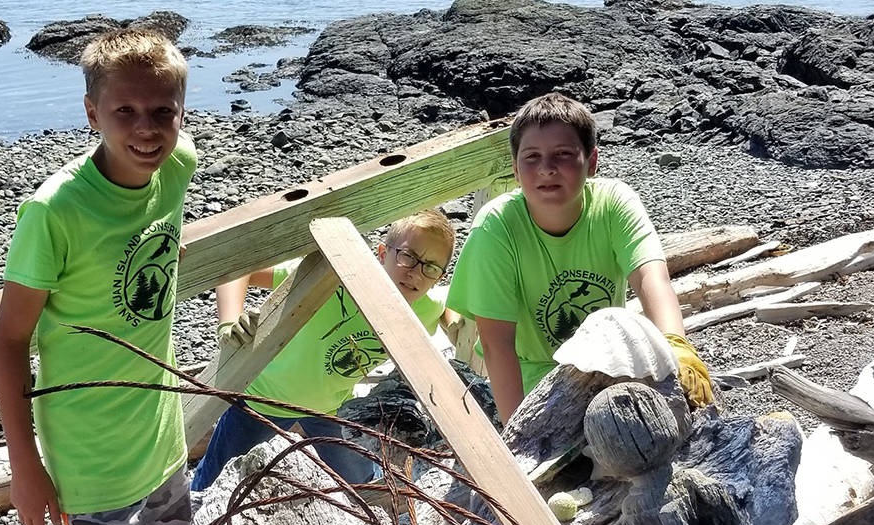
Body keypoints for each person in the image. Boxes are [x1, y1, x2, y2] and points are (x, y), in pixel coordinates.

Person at [0, 28, 194, 525]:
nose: (146, 127)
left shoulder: (177, 166)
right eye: (126, 111)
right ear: (91, 114)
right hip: (91, 455)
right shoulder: (55, 212)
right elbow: (9, 342)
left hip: (159, 433)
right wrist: (25, 465)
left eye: (163, 111)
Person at [447, 92, 713, 424]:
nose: (546, 169)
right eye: (532, 157)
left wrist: (677, 348)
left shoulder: (614, 202)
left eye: (563, 154)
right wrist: (516, 433)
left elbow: (650, 278)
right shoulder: (496, 228)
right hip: (535, 377)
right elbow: (498, 342)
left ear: (591, 162)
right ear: (515, 169)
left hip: (611, 363)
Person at [190, 209, 457, 491]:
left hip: (330, 407)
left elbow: (448, 304)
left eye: (430, 266)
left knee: (362, 481)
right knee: (213, 481)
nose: (415, 272)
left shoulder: (424, 307)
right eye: (407, 256)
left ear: (438, 276)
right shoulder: (334, 277)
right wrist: (229, 322)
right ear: (381, 253)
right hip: (263, 397)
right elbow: (237, 268)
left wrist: (454, 322)